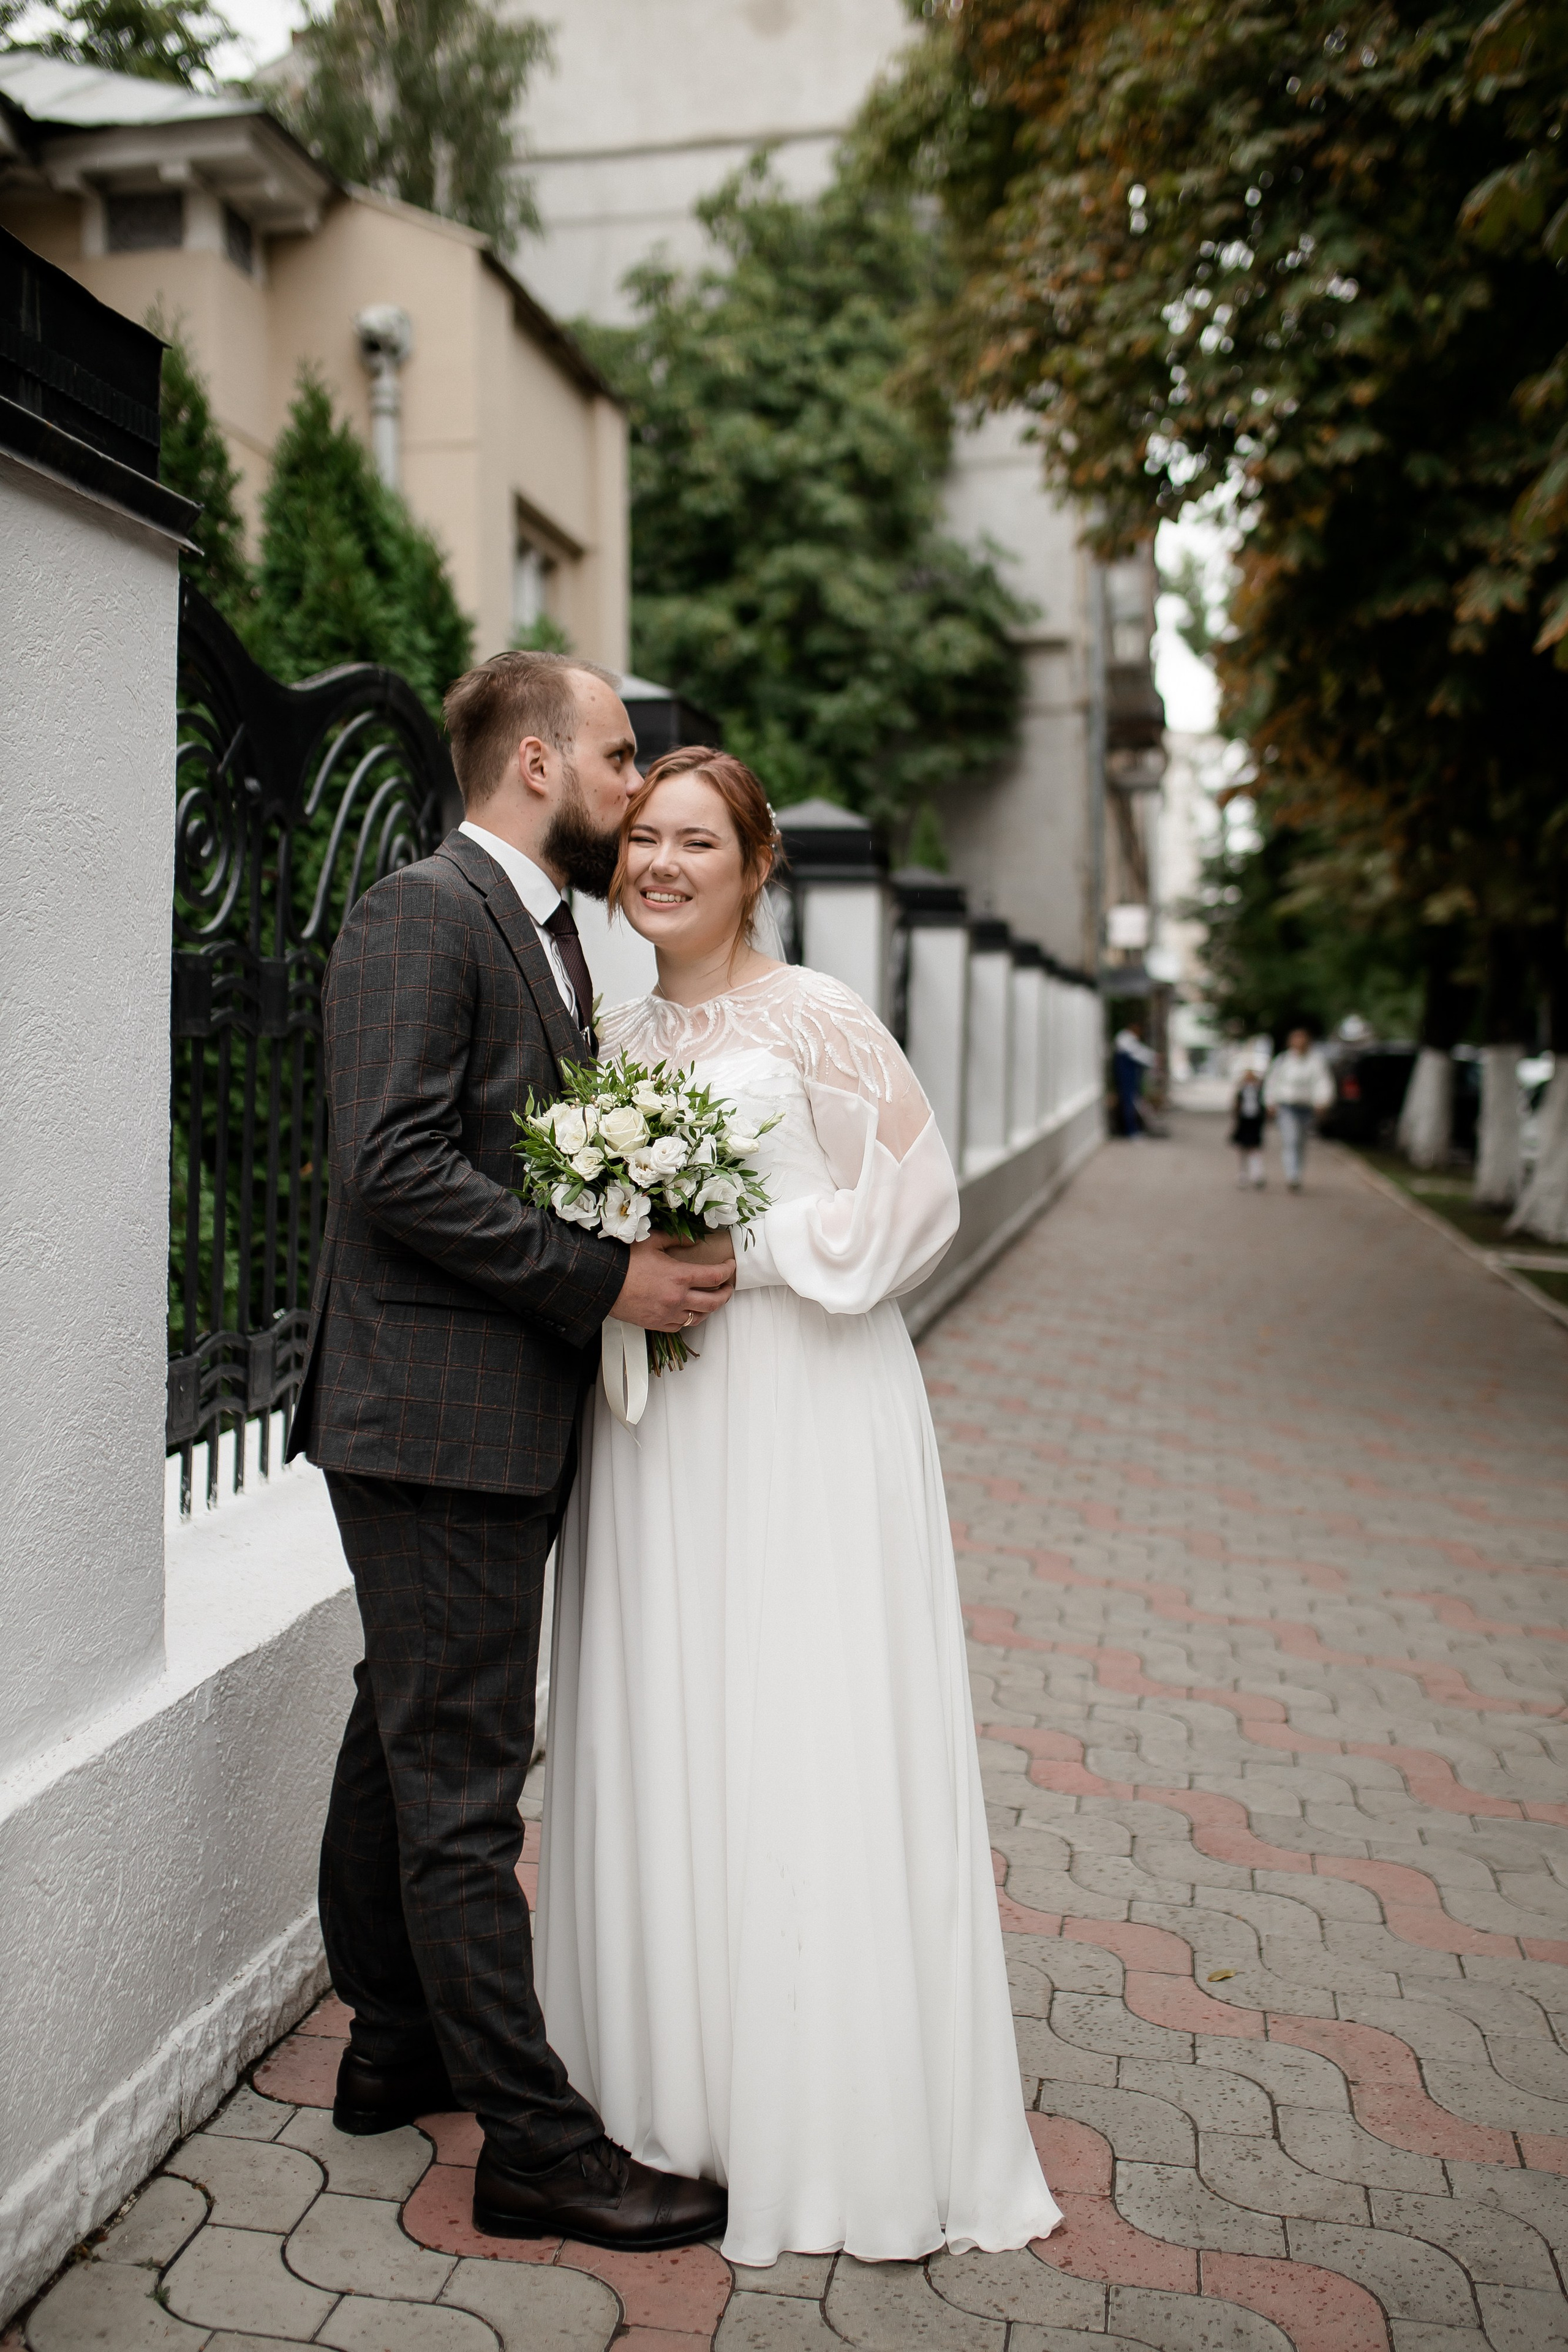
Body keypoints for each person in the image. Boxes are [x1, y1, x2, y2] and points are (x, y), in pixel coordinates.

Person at [536, 747, 1062, 2267]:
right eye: (641, 839)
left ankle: (825, 2109)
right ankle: (663, 2086)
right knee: (662, 1713)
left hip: (804, 1404)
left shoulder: (818, 1013)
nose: (662, 864)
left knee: (796, 1716)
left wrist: (743, 1255)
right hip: (653, 1422)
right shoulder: (606, 1025)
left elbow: (918, 1191)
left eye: (696, 840)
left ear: (755, 863)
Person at [288, 652, 734, 2253]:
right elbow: (392, 1166)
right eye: (620, 756)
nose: (638, 783)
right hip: (436, 1420)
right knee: (465, 1782)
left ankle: (391, 2050)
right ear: (537, 763)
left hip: (463, 1416)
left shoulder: (546, 937)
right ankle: (536, 2144)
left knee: (395, 1728)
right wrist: (605, 1276)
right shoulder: (424, 911)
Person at [1265, 1026, 1333, 1191]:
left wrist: (1322, 1101)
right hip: (1287, 1107)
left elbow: (1323, 1083)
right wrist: (1270, 1102)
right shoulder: (1283, 1060)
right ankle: (1292, 1176)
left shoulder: (1316, 1061)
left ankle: (1298, 1173)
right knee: (1291, 1140)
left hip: (1306, 1108)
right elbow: (1272, 1082)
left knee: (1301, 1142)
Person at [1112, 1019, 1157, 1135]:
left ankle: (1133, 1129)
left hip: (1131, 1078)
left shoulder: (1129, 1040)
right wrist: (1154, 1058)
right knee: (1128, 1104)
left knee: (1133, 1103)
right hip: (1126, 1078)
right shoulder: (1124, 1039)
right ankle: (1130, 1131)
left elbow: (1140, 1051)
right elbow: (1138, 1053)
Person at [1230, 1060, 1267, 1188]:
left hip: (1254, 1122)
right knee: (1243, 1149)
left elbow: (1263, 1107)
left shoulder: (1259, 1092)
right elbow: (1236, 1107)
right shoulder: (1242, 1092)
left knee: (1254, 1149)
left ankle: (1257, 1174)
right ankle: (1243, 1174)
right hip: (1244, 1122)